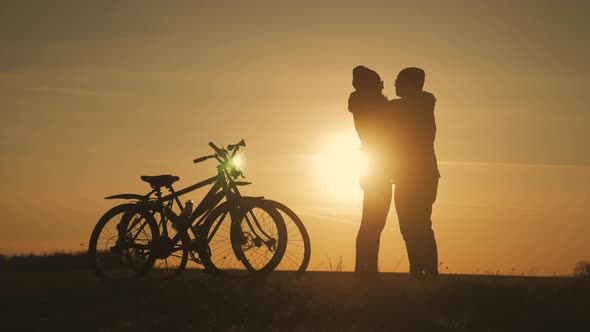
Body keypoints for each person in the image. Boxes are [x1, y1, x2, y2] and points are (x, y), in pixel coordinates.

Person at [390, 67, 440, 279]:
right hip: (407, 175)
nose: (395, 84)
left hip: (420, 175)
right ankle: (418, 269)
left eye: (399, 80)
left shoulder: (421, 103)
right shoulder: (406, 106)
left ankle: (428, 269)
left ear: (412, 83)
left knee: (419, 223)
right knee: (408, 225)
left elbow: (400, 108)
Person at [348, 65, 394, 276]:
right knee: (372, 223)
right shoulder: (372, 105)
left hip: (374, 165)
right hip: (378, 166)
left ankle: (365, 268)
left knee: (371, 222)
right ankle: (366, 270)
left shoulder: (364, 104)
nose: (380, 87)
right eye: (376, 83)